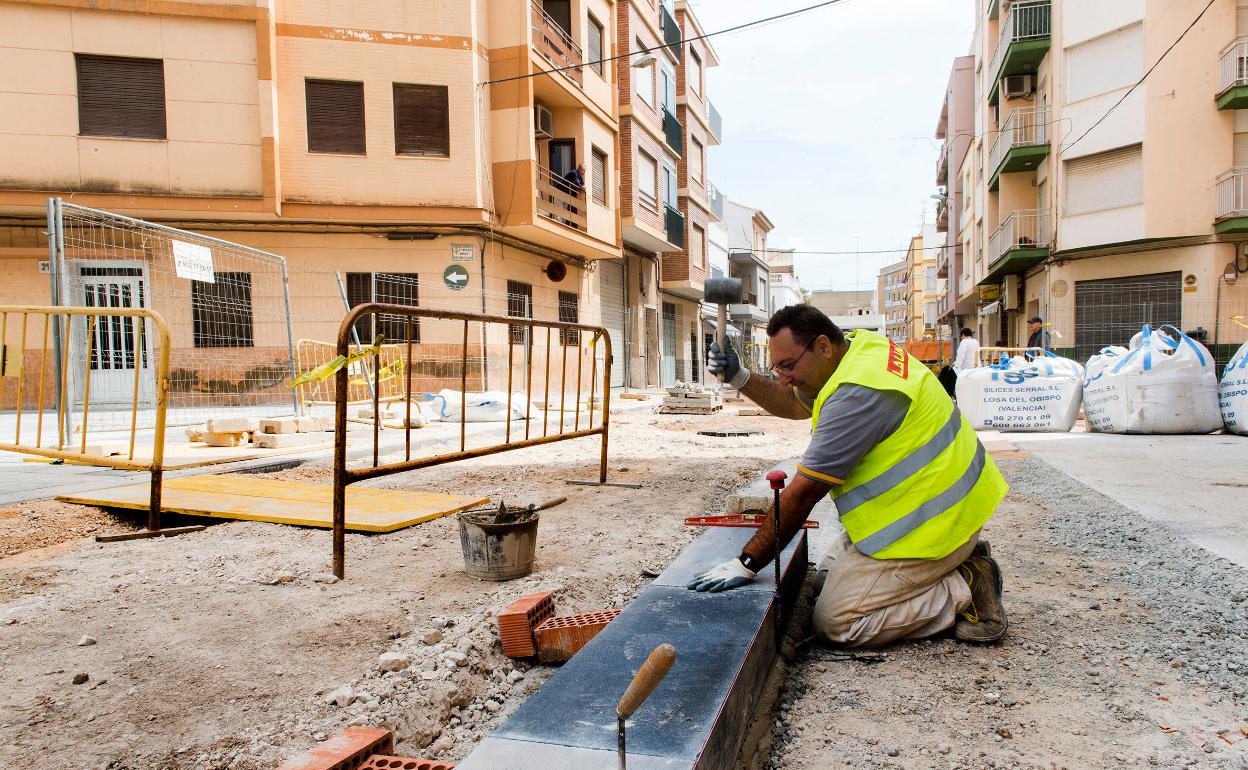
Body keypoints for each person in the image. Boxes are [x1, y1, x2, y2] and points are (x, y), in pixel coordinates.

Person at [692, 305, 1009, 648]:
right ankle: (960, 559)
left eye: (788, 365)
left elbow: (803, 494)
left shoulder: (857, 395)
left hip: (932, 529)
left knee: (837, 621)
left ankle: (966, 585)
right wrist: (740, 378)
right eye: (777, 367)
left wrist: (747, 563)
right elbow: (794, 402)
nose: (783, 377)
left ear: (823, 346)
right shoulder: (858, 351)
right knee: (822, 583)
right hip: (941, 508)